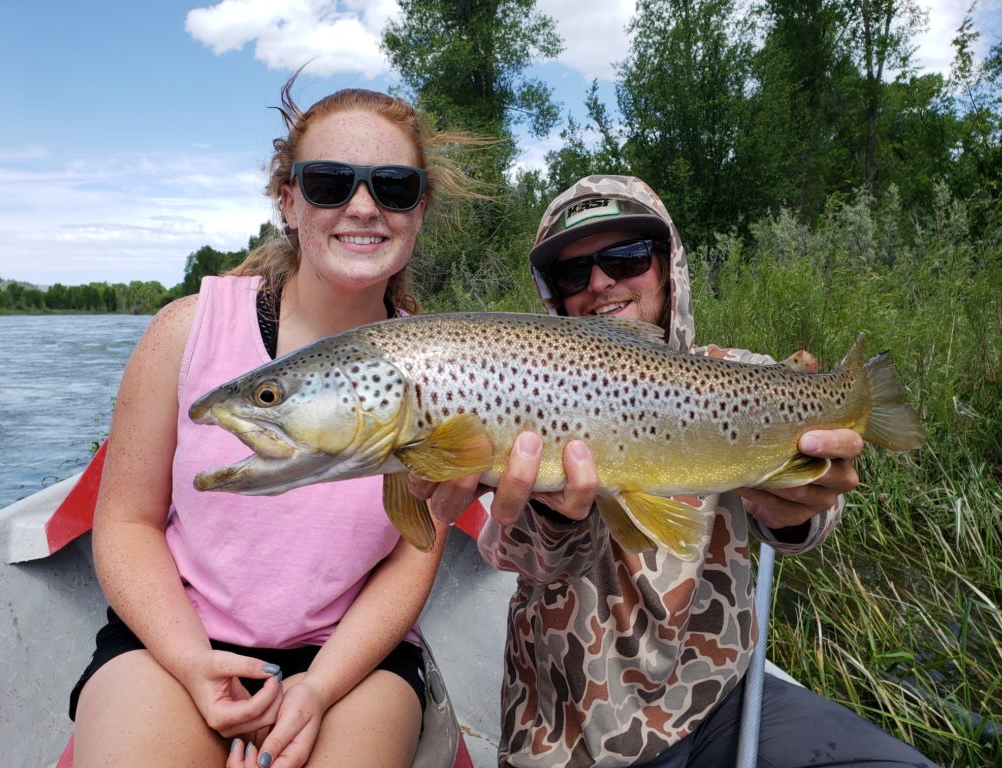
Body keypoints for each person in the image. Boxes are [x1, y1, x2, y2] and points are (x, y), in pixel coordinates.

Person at [411, 176, 937, 767]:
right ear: (553, 297)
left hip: (720, 700)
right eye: (572, 273)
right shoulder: (512, 390)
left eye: (627, 257)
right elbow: (511, 554)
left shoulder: (740, 377)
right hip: (570, 736)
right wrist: (553, 518)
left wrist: (795, 509)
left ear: (667, 266)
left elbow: (815, 516)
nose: (602, 282)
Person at [69, 74, 480, 768]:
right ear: (288, 201)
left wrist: (318, 689)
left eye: (393, 187)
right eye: (327, 183)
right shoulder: (182, 334)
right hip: (174, 645)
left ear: (418, 210)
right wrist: (193, 662)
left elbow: (416, 552)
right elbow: (125, 522)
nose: (361, 206)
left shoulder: (449, 366)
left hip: (353, 663)